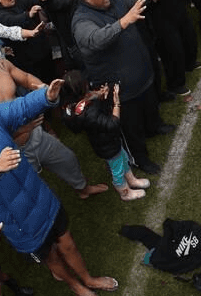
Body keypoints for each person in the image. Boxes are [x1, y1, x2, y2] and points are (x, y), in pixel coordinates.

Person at [0, 82, 119, 296]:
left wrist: (46, 96)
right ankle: (76, 286)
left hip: (41, 198)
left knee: (68, 244)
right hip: (20, 222)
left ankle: (89, 278)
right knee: (52, 258)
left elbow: (18, 108)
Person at [0, 25, 108, 200]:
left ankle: (83, 189)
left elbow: (27, 79)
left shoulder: (2, 65)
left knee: (68, 159)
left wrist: (45, 91)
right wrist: (22, 130)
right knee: (36, 193)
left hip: (35, 134)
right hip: (12, 152)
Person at [72, 0, 171, 175]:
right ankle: (140, 159)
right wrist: (125, 20)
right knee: (131, 126)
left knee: (148, 105)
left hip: (140, 74)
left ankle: (154, 126)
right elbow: (96, 39)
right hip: (119, 88)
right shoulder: (81, 21)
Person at [59, 71, 151, 201]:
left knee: (123, 158)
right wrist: (116, 102)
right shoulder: (88, 112)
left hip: (105, 141)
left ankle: (131, 180)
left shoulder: (73, 105)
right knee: (117, 169)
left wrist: (99, 95)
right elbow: (113, 123)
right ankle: (125, 193)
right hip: (107, 144)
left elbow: (90, 101)